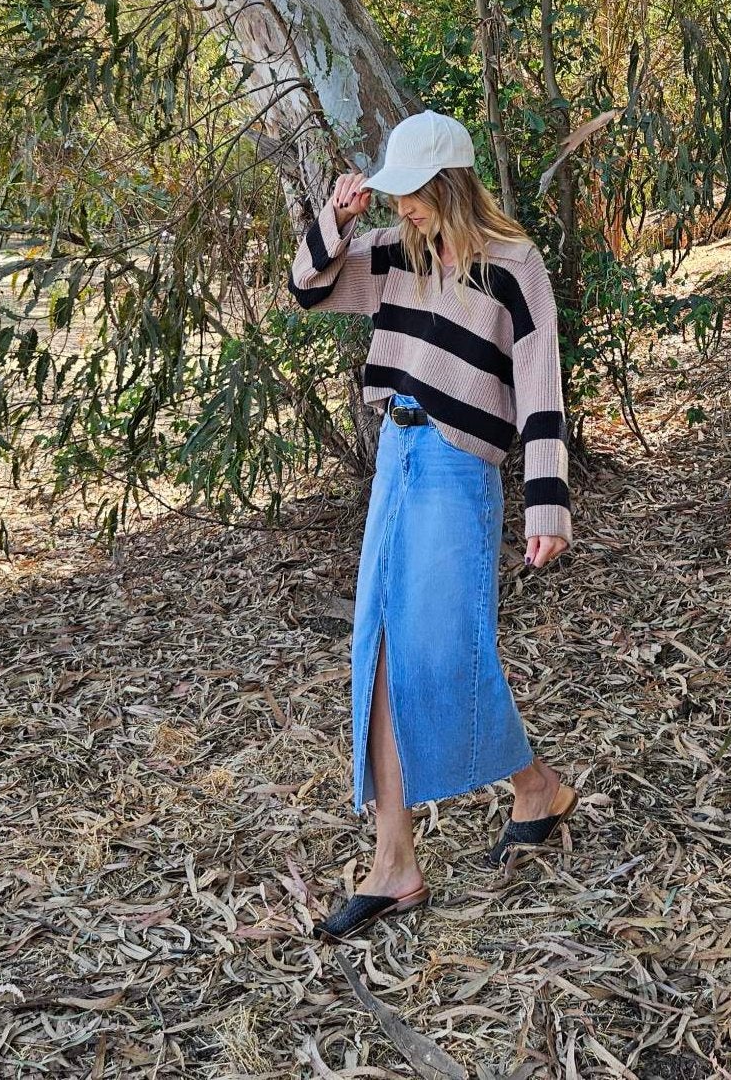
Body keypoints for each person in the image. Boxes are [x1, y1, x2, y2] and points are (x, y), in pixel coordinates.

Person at [287, 109, 576, 942]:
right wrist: (334, 220)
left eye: (410, 194)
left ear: (448, 187)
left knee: (448, 652)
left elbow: (541, 385)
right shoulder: (394, 251)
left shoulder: (516, 269)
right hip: (396, 459)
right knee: (378, 648)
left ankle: (535, 784)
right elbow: (306, 289)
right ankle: (395, 862)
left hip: (459, 470)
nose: (401, 207)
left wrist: (546, 502)